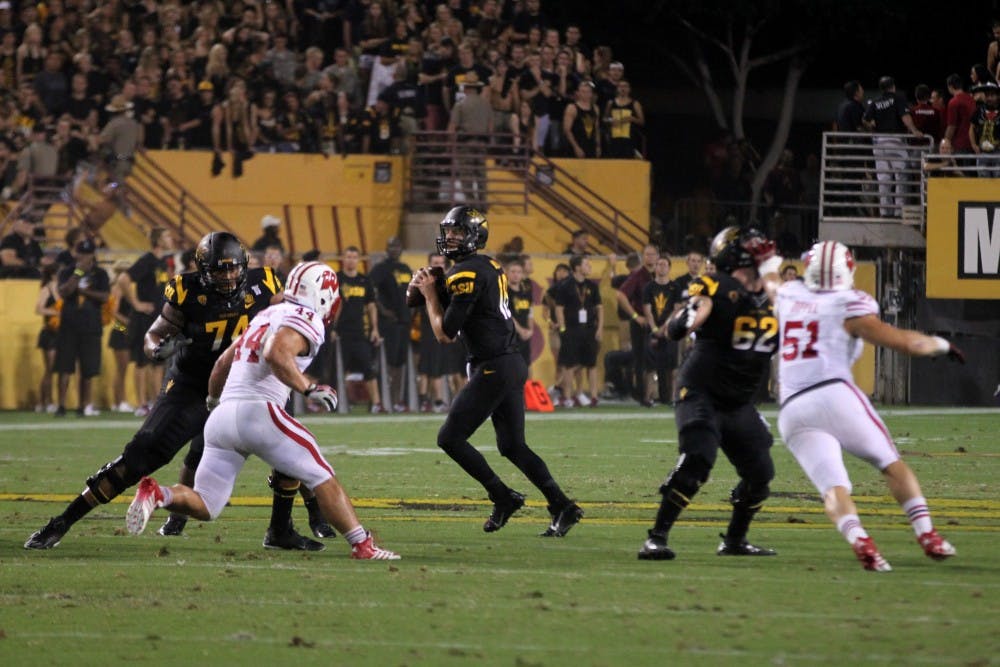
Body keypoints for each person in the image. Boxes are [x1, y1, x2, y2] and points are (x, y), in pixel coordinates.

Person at [24, 232, 323, 551]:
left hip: (247, 382)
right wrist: (158, 349)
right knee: (143, 451)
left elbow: (284, 319)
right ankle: (63, 521)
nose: (228, 276)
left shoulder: (265, 282)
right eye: (219, 270)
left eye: (233, 268)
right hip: (193, 385)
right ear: (203, 269)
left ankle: (287, 527)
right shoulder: (186, 290)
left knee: (291, 447)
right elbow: (153, 336)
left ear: (244, 265)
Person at [125, 262, 400, 561]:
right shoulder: (306, 317)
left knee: (207, 503)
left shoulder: (266, 315)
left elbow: (221, 366)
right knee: (322, 475)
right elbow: (275, 352)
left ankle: (158, 494)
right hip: (258, 411)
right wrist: (308, 387)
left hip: (222, 418)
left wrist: (215, 405)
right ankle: (363, 545)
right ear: (322, 295)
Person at [771, 240, 962, 571]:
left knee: (833, 485)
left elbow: (770, 282)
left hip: (792, 410)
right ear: (849, 271)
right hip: (834, 393)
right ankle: (927, 534)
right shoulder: (850, 303)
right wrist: (941, 344)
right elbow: (905, 342)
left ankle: (860, 539)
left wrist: (763, 260)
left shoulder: (788, 295)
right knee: (890, 463)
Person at [411, 206, 583, 537]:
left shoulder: (466, 272)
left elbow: (445, 333)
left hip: (493, 366)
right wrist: (439, 286)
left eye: (457, 232)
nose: (449, 238)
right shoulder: (486, 264)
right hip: (508, 362)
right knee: (512, 446)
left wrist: (431, 295)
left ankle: (502, 496)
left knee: (450, 437)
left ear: (474, 235)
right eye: (447, 231)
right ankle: (562, 505)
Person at [638, 226, 781, 561]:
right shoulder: (716, 286)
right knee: (698, 459)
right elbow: (685, 321)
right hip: (701, 389)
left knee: (761, 474)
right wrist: (687, 317)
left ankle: (734, 540)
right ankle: (656, 538)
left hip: (739, 399)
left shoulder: (777, 295)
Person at [118, 227, 175, 417]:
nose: (170, 238)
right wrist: (136, 303)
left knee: (158, 362)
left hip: (159, 318)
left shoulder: (162, 262)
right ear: (158, 240)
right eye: (167, 235)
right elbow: (123, 279)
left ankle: (156, 401)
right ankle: (142, 403)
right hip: (144, 319)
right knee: (142, 362)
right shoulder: (147, 261)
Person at [52, 239, 110, 417]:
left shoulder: (100, 274)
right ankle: (61, 405)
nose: (84, 257)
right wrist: (78, 274)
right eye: (81, 253)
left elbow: (104, 297)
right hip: (69, 325)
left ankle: (82, 405)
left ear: (93, 254)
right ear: (76, 254)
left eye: (87, 253)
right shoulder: (68, 271)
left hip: (91, 326)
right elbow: (64, 292)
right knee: (64, 367)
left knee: (88, 369)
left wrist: (84, 292)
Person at [862, 76, 924, 218]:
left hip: (879, 143)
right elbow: (905, 117)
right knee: (901, 177)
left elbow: (865, 120)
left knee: (884, 179)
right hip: (896, 141)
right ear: (893, 87)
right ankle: (898, 212)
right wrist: (914, 131)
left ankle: (885, 212)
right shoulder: (898, 98)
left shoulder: (875, 102)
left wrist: (873, 127)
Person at [332, 246, 384, 413]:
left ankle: (377, 404)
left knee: (368, 368)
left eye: (354, 257)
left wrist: (375, 329)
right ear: (343, 259)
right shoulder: (336, 279)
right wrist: (332, 328)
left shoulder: (364, 280)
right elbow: (332, 305)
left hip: (360, 333)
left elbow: (371, 306)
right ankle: (333, 404)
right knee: (336, 370)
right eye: (348, 256)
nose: (351, 260)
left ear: (359, 260)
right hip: (340, 334)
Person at [369, 236, 412, 412]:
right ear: (386, 249)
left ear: (401, 249)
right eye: (391, 246)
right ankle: (382, 401)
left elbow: (414, 291)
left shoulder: (406, 269)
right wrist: (383, 310)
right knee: (386, 362)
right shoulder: (380, 269)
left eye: (397, 246)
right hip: (389, 323)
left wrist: (413, 309)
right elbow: (371, 291)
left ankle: (396, 400)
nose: (394, 249)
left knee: (399, 363)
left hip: (404, 322)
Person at [554, 254, 603, 408]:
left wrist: (599, 328)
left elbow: (599, 309)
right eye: (586, 264)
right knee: (569, 364)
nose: (589, 267)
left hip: (589, 329)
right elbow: (559, 308)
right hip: (571, 329)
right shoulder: (565, 286)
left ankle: (594, 396)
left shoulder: (592, 286)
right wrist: (562, 328)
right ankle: (568, 396)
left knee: (591, 364)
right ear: (577, 267)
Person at [641, 256, 678, 406]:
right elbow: (647, 310)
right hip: (653, 330)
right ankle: (648, 397)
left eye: (664, 265)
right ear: (655, 268)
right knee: (650, 366)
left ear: (669, 268)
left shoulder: (675, 287)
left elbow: (676, 310)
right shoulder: (649, 287)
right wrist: (655, 328)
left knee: (672, 366)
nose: (662, 267)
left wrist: (665, 327)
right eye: (659, 264)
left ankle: (672, 398)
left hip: (670, 330)